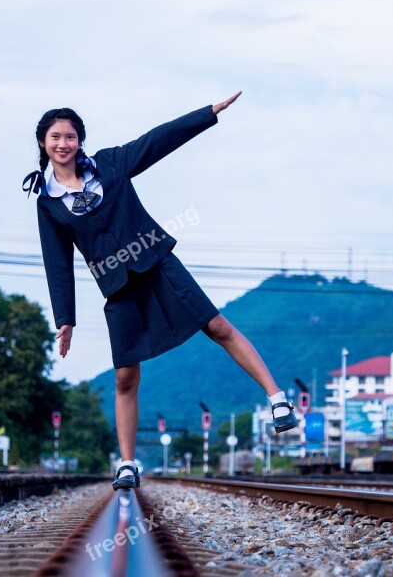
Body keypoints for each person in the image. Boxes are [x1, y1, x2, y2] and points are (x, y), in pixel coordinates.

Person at [24, 91, 298, 490]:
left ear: (80, 140)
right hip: (117, 285)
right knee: (125, 377)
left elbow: (158, 140)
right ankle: (128, 463)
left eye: (70, 136)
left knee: (218, 326)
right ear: (43, 144)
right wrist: (65, 319)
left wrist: (207, 114)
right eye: (55, 137)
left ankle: (277, 399)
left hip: (157, 263)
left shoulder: (110, 164)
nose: (63, 144)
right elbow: (57, 263)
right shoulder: (48, 202)